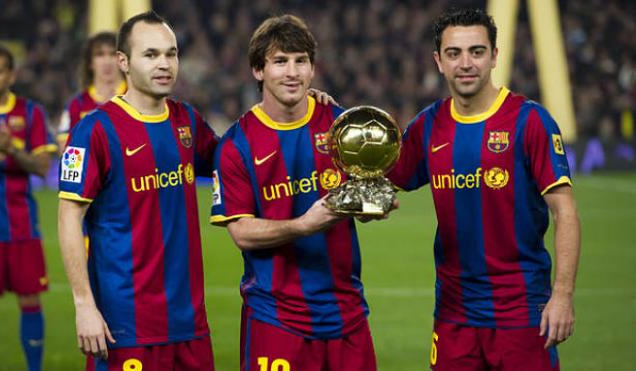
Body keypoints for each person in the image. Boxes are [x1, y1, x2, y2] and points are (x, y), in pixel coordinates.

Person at [387, 8, 581, 370]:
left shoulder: (529, 120)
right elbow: (380, 176)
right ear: (438, 61)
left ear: (494, 56)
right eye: (454, 53)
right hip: (453, 315)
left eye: (476, 52)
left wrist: (563, 295)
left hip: (522, 313)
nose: (465, 63)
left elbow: (565, 211)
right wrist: (324, 112)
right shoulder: (427, 126)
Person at [211, 15, 381, 371]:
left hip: (346, 314)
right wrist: (304, 225)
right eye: (280, 61)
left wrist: (373, 202)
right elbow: (240, 232)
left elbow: (370, 198)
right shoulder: (236, 145)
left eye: (300, 60)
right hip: (276, 319)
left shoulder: (338, 123)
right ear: (258, 70)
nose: (292, 72)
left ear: (313, 68)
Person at [57, 11, 217, 370]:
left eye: (171, 53)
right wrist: (84, 305)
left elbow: (237, 159)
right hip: (124, 327)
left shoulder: (186, 120)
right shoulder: (94, 130)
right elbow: (69, 217)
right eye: (151, 55)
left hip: (190, 325)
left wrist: (295, 101)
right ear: (124, 62)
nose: (165, 64)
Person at [0, 45, 56, 371]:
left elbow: (41, 167)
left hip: (22, 227)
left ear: (11, 75)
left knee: (30, 301)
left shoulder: (31, 113)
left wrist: (12, 150)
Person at [56, 31, 126, 153]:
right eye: (100, 54)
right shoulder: (76, 105)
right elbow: (65, 150)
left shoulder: (139, 96)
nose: (107, 61)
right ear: (90, 63)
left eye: (112, 54)